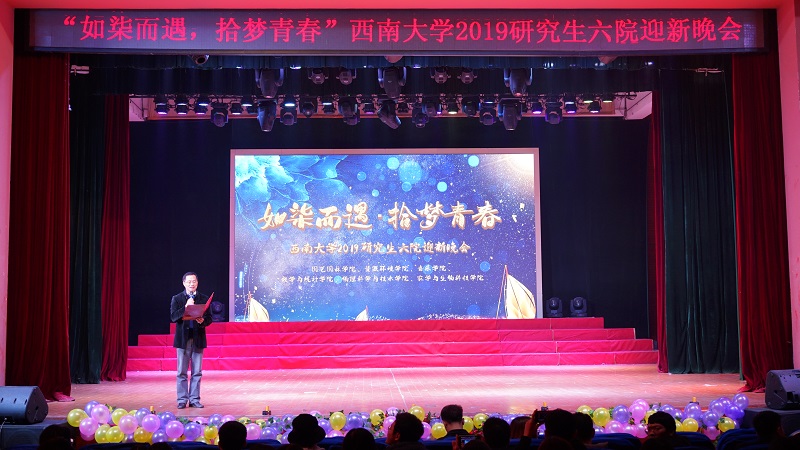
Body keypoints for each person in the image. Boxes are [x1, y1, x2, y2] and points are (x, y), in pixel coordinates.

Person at [170, 271, 213, 409]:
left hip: (198, 338)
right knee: (181, 372)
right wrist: (186, 307)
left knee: (197, 372)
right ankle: (182, 400)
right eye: (189, 282)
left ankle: (194, 399)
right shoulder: (177, 298)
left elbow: (209, 319)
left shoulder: (203, 298)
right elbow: (173, 317)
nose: (191, 284)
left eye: (194, 281)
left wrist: (203, 321)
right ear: (184, 283)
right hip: (183, 339)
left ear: (197, 283)